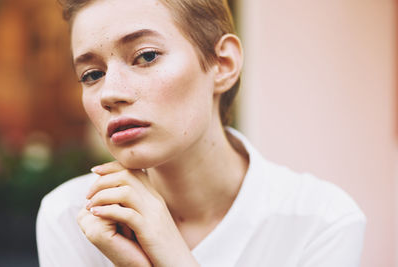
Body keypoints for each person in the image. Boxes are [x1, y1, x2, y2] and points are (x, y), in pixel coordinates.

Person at [36, 0, 366, 266]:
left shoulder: (321, 221)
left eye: (146, 56)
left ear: (223, 64)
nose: (109, 93)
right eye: (92, 74)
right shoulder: (70, 217)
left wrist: (170, 254)